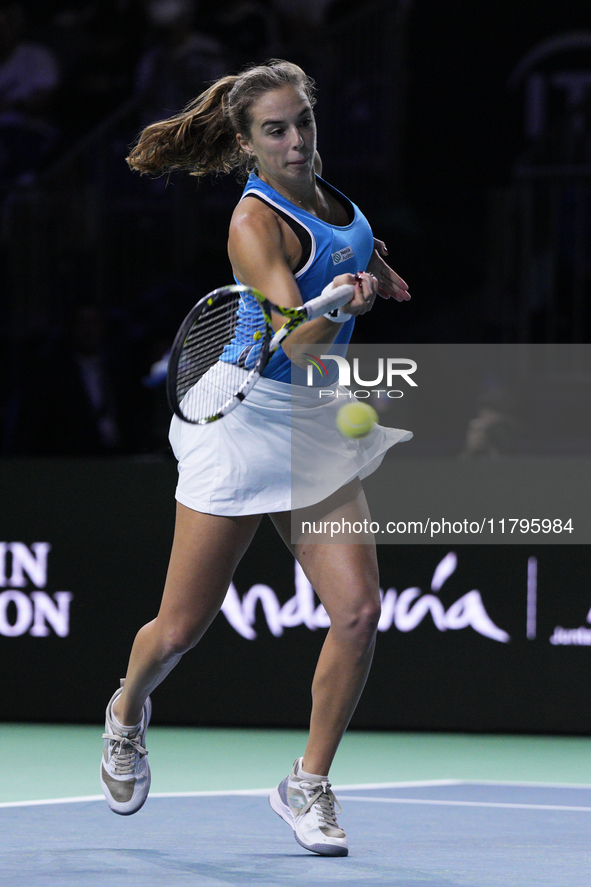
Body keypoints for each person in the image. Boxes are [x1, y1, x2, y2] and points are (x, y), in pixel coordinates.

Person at [100, 59, 411, 857]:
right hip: (244, 419)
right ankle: (127, 711)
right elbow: (302, 347)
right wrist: (340, 299)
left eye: (302, 122)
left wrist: (372, 267)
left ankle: (305, 784)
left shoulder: (327, 192)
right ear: (245, 143)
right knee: (177, 631)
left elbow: (348, 240)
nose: (296, 140)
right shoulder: (252, 224)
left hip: (309, 430)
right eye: (275, 131)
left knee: (359, 611)